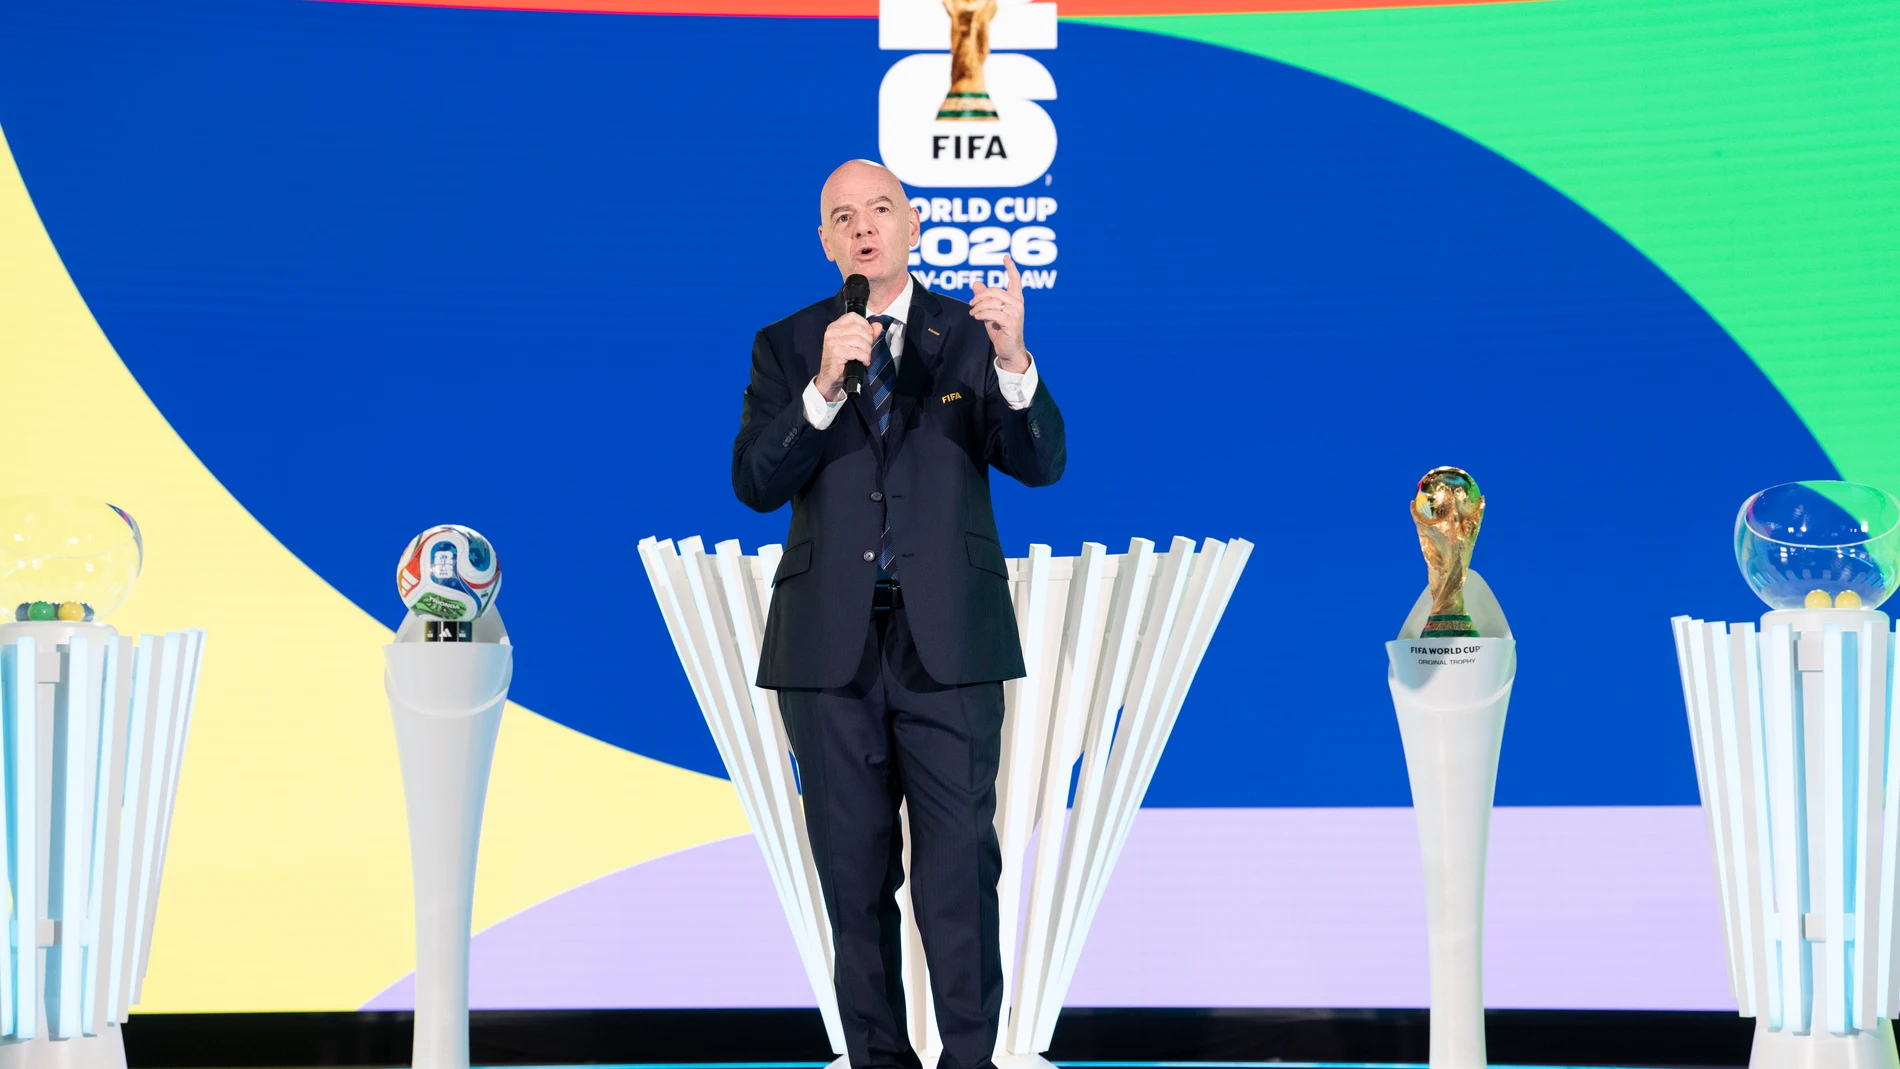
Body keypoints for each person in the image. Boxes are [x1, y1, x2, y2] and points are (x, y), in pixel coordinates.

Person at [732, 159, 1065, 1069]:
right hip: (828, 653)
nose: (863, 226)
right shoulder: (789, 343)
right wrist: (822, 390)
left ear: (914, 226)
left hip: (947, 644)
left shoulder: (971, 334)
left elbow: (1040, 463)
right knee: (853, 874)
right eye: (843, 216)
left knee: (960, 870)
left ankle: (970, 1060)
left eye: (880, 209)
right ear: (825, 241)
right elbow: (755, 482)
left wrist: (1015, 364)